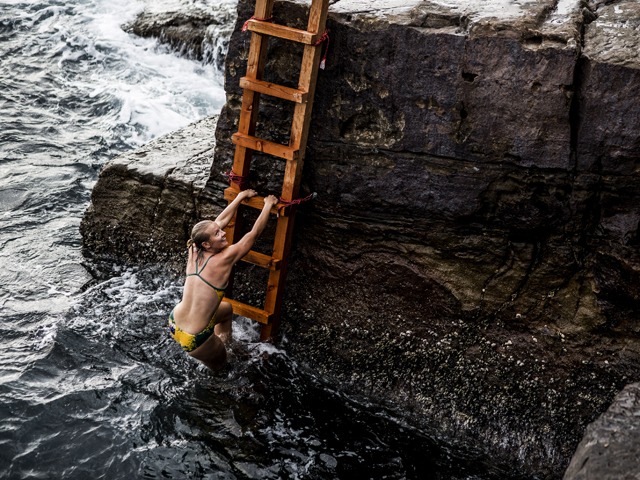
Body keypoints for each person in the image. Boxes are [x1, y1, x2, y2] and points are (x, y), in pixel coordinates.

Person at [168, 189, 278, 370]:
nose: (223, 233)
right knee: (224, 369)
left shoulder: (193, 248)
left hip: (175, 322)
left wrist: (240, 197)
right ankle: (218, 364)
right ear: (206, 244)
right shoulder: (224, 259)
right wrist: (267, 205)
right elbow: (253, 235)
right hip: (197, 338)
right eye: (218, 234)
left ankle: (226, 345)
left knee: (226, 309)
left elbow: (218, 223)